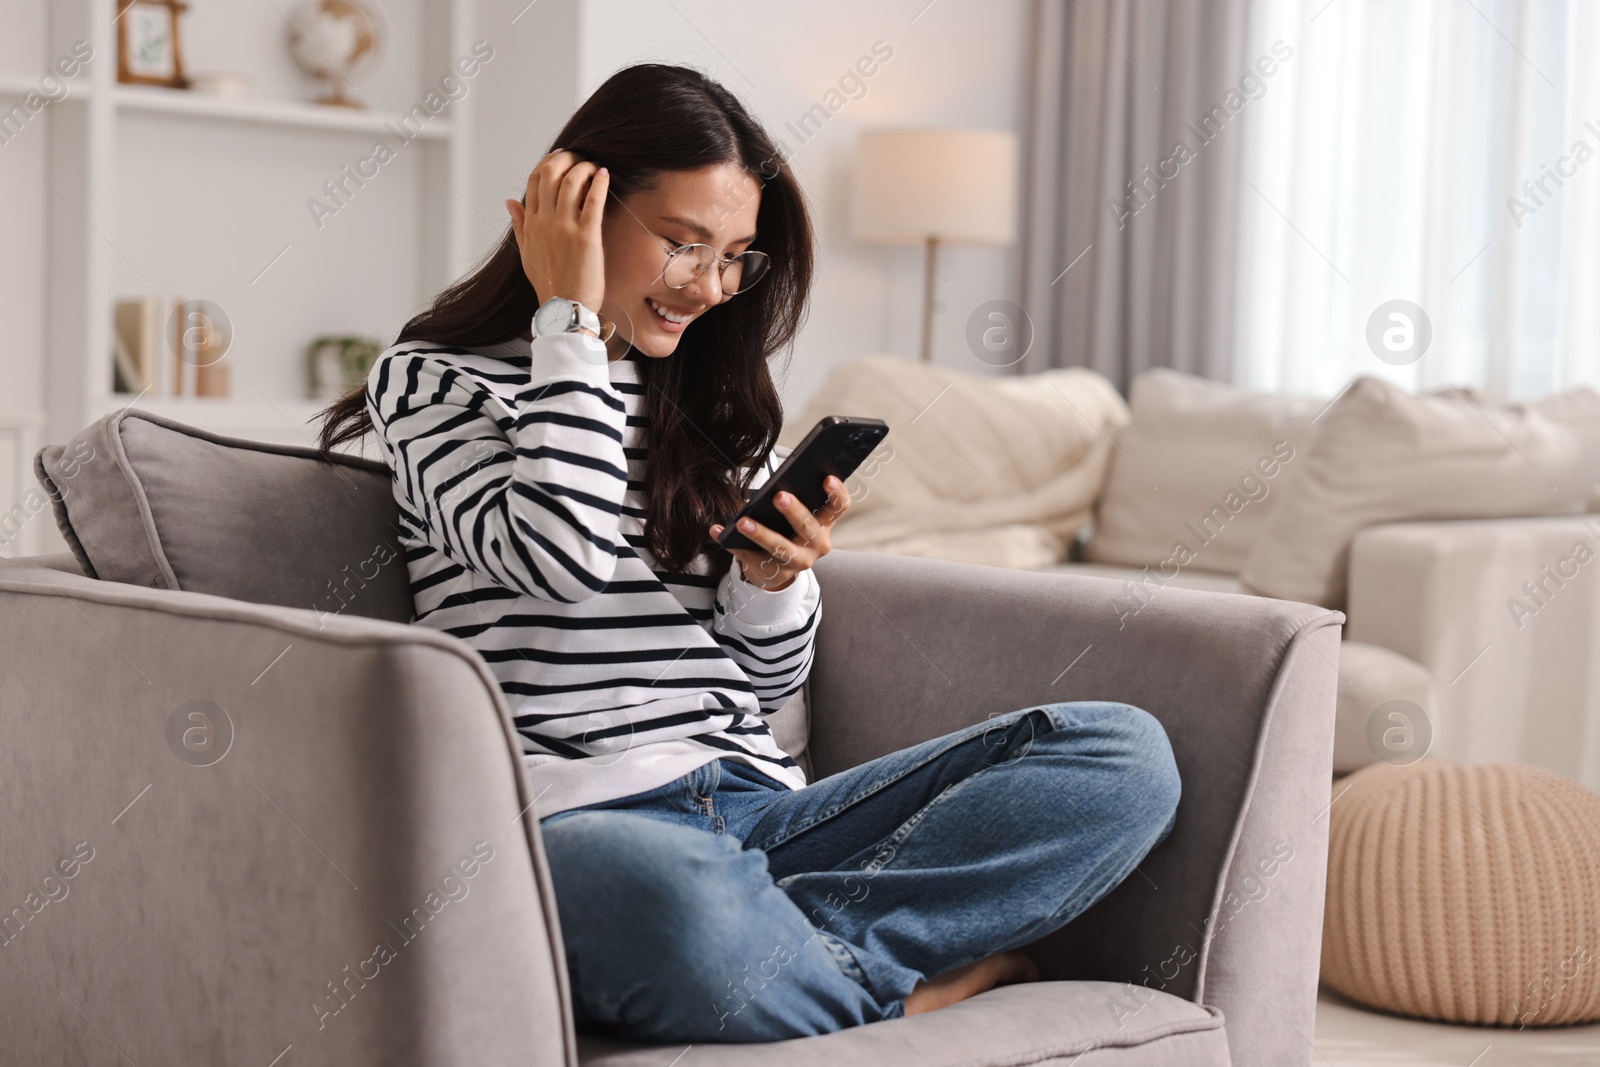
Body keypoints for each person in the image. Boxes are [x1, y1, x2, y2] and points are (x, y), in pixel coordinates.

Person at [317, 62, 1180, 1046]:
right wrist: (573, 327)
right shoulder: (436, 383)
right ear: (573, 209)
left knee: (1118, 755)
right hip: (575, 825)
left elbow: (767, 679)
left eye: (734, 256)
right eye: (682, 244)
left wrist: (771, 585)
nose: (708, 286)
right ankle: (877, 989)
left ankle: (808, 961)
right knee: (665, 890)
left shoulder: (714, 405)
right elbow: (556, 560)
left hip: (763, 814)